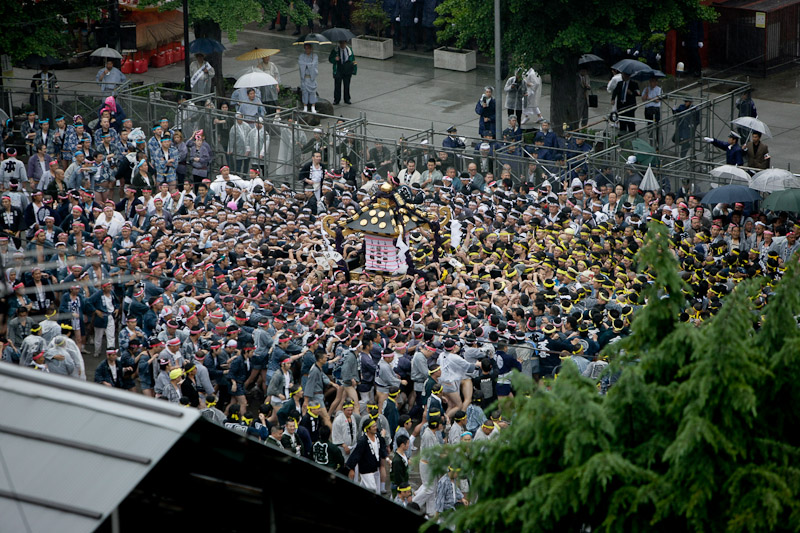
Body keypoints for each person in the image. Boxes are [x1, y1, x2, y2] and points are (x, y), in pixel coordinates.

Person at [346, 417, 388, 494]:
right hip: (366, 470)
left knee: (375, 490)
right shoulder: (363, 441)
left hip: (376, 468)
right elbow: (356, 455)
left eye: (376, 426)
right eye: (373, 426)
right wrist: (351, 468)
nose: (376, 428)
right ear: (368, 429)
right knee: (373, 490)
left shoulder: (377, 437)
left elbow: (382, 448)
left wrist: (388, 459)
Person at [329, 41, 356, 105]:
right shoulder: (335, 50)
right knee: (337, 85)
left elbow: (353, 60)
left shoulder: (349, 50)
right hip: (338, 69)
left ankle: (347, 99)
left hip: (347, 69)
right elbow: (330, 59)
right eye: (341, 43)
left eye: (343, 43)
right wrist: (335, 59)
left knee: (347, 85)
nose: (342, 45)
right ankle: (337, 99)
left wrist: (354, 69)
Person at [298, 44, 320, 113]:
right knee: (305, 92)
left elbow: (314, 65)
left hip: (311, 78)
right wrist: (309, 64)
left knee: (312, 92)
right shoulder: (302, 56)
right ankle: (305, 106)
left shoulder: (314, 56)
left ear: (311, 48)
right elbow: (301, 64)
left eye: (308, 48)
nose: (307, 50)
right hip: (305, 77)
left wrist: (308, 65)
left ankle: (313, 106)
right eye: (306, 48)